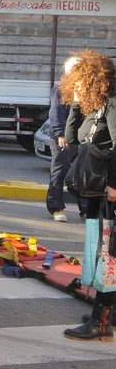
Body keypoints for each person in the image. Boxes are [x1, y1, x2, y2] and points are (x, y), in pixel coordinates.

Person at [61, 49, 116, 341]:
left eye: (79, 81)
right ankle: (107, 315)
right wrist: (76, 103)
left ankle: (100, 322)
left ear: (95, 79)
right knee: (102, 254)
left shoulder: (113, 106)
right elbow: (71, 139)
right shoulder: (94, 109)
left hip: (109, 195)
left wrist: (115, 187)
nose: (74, 85)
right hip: (95, 195)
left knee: (107, 257)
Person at [48, 56, 85, 222]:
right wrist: (60, 134)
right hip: (63, 138)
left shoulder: (85, 88)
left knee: (82, 174)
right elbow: (56, 113)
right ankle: (56, 208)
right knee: (59, 173)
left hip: (81, 139)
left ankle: (85, 209)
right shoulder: (60, 88)